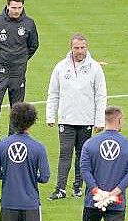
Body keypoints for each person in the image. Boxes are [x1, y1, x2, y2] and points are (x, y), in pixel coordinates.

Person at [46, 33, 107, 200]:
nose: (79, 51)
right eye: (76, 48)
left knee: (82, 154)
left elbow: (100, 95)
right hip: (66, 119)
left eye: (82, 48)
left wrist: (99, 120)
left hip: (86, 119)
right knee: (65, 153)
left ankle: (78, 186)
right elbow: (53, 93)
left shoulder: (95, 68)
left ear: (86, 48)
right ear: (71, 48)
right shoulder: (60, 67)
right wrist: (50, 116)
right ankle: (60, 188)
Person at [0, 0, 39, 156]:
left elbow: (33, 46)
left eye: (19, 8)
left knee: (16, 109)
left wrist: (21, 60)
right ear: (7, 6)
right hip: (0, 73)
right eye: (13, 7)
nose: (16, 11)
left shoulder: (29, 24)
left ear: (23, 7)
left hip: (18, 74)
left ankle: (11, 141)